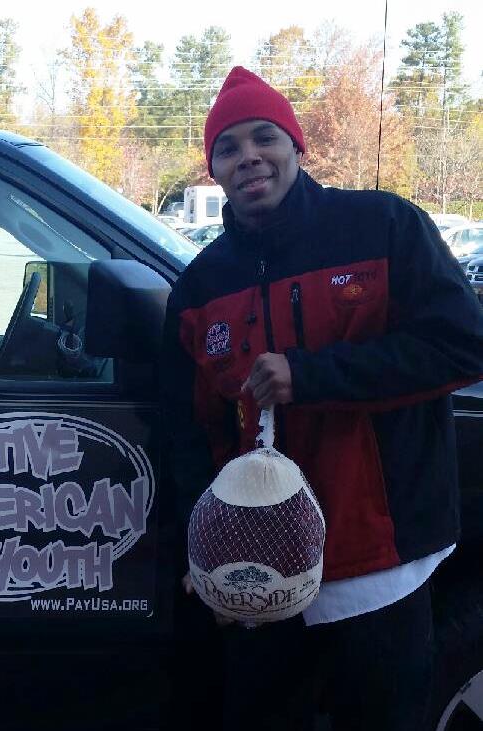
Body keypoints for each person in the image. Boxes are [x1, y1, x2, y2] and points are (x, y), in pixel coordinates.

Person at [161, 66, 483, 730]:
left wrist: (311, 376)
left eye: (265, 137)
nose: (249, 156)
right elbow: (191, 431)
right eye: (228, 147)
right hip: (260, 574)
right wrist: (205, 547)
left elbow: (461, 344)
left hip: (381, 566)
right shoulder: (199, 288)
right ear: (213, 170)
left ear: (297, 146)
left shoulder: (384, 227)